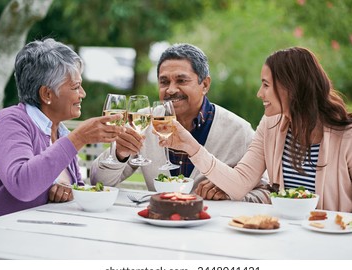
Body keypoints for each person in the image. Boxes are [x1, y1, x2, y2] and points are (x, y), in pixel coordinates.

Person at [157, 46, 352, 215]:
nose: (259, 94)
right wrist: (190, 146)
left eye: (266, 85)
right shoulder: (270, 126)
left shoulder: (351, 137)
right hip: (284, 239)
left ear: (290, 87)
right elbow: (239, 183)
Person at [91, 43, 269, 202]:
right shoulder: (143, 122)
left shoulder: (238, 131)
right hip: (156, 225)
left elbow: (267, 192)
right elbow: (98, 182)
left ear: (205, 84)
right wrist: (119, 154)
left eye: (181, 80)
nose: (171, 89)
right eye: (164, 82)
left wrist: (230, 194)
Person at [0, 38, 123, 219]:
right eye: (76, 87)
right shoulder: (9, 122)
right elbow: (22, 184)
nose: (83, 94)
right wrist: (78, 138)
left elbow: (75, 191)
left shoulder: (59, 131)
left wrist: (68, 191)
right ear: (47, 94)